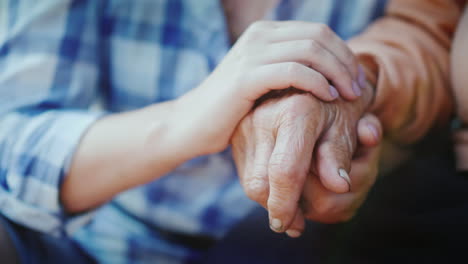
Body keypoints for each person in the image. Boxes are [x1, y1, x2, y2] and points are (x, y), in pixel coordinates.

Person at [0, 0, 460, 263]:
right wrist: (189, 119)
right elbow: (13, 136)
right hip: (91, 240)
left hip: (294, 243)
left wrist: (348, 94)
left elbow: (426, 35)